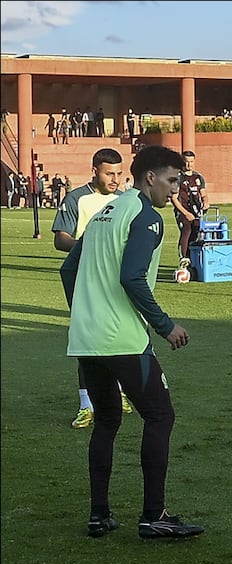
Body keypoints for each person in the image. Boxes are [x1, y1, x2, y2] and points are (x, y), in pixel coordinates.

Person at [59, 145, 204, 540]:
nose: (174, 191)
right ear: (150, 177)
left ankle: (99, 514)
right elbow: (132, 277)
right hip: (121, 338)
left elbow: (67, 269)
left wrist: (86, 312)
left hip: (87, 339)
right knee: (160, 416)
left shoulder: (105, 212)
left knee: (106, 421)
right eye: (172, 181)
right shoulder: (146, 216)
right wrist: (165, 325)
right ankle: (154, 514)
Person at [52, 148, 134, 428]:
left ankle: (120, 393)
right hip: (85, 279)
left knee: (120, 334)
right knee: (87, 341)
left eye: (118, 174)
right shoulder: (77, 198)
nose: (114, 179)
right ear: (94, 170)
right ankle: (87, 405)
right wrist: (91, 247)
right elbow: (61, 239)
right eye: (109, 173)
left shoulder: (125, 200)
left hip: (115, 280)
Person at [170, 150, 208, 279]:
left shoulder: (198, 177)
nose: (189, 165)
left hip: (196, 211)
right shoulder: (178, 177)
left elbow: (203, 193)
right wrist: (185, 213)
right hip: (183, 210)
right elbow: (174, 198)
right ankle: (183, 258)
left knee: (196, 232)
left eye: (191, 162)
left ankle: (193, 260)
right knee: (186, 230)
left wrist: (206, 202)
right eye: (186, 162)